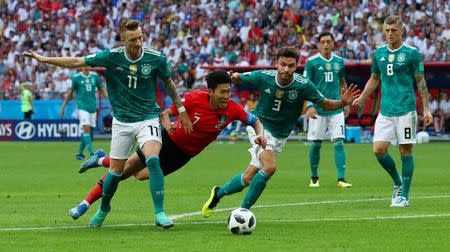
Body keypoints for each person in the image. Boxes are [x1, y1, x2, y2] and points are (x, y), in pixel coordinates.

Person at [24, 19, 192, 228]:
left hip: (147, 117)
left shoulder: (156, 58)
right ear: (123, 40)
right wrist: (44, 59)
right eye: (132, 39)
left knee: (153, 159)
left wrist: (182, 110)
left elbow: (169, 83)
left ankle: (159, 213)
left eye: (140, 37)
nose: (138, 42)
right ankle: (104, 207)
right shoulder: (111, 57)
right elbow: (77, 61)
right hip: (122, 122)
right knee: (115, 172)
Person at [68, 69, 266, 221]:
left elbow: (254, 120)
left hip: (184, 155)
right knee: (125, 170)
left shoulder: (233, 108)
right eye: (222, 92)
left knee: (139, 175)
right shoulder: (194, 98)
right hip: (166, 141)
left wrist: (260, 135)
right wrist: (168, 126)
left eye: (229, 92)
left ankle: (101, 159)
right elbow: (164, 113)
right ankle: (86, 204)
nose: (226, 96)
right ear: (211, 91)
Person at [201, 46, 360, 218]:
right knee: (270, 167)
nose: (286, 69)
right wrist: (232, 76)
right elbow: (240, 78)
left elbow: (324, 103)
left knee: (247, 178)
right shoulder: (264, 76)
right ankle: (244, 212)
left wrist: (342, 102)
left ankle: (218, 193)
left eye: (290, 65)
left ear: (296, 65)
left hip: (280, 136)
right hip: (259, 127)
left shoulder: (303, 84)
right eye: (282, 64)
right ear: (276, 63)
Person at [353, 15, 433, 207]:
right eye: (387, 30)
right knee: (378, 150)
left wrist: (427, 109)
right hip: (386, 110)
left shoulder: (412, 53)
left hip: (406, 109)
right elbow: (374, 78)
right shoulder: (379, 53)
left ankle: (404, 195)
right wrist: (363, 98)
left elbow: (420, 81)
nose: (389, 34)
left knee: (405, 150)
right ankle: (398, 181)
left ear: (401, 30)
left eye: (393, 30)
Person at [303, 32, 352, 188]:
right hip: (318, 109)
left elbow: (343, 82)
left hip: (336, 108)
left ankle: (341, 179)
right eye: (322, 42)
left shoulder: (339, 62)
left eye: (328, 41)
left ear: (333, 44)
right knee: (316, 144)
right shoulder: (311, 62)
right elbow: (305, 85)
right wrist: (310, 106)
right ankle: (314, 178)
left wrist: (346, 103)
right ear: (318, 44)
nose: (325, 44)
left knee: (338, 142)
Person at [60, 66, 108, 160]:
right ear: (81, 66)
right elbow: (70, 93)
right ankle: (92, 154)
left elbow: (102, 89)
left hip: (92, 107)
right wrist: (63, 106)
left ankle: (79, 153)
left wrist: (111, 101)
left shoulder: (95, 76)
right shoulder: (76, 77)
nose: (86, 66)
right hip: (82, 107)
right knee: (86, 129)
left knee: (88, 131)